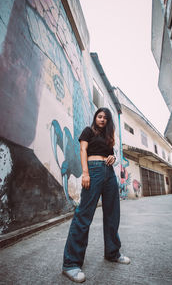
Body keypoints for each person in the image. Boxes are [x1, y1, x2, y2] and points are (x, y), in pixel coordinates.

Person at [62, 107, 130, 283]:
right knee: (84, 216)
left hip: (109, 173)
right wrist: (85, 173)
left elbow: (111, 156)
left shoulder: (108, 138)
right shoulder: (88, 131)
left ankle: (112, 253)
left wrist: (112, 158)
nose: (102, 119)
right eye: (100, 116)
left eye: (105, 118)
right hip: (93, 171)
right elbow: (83, 150)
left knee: (112, 214)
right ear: (95, 117)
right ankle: (70, 264)